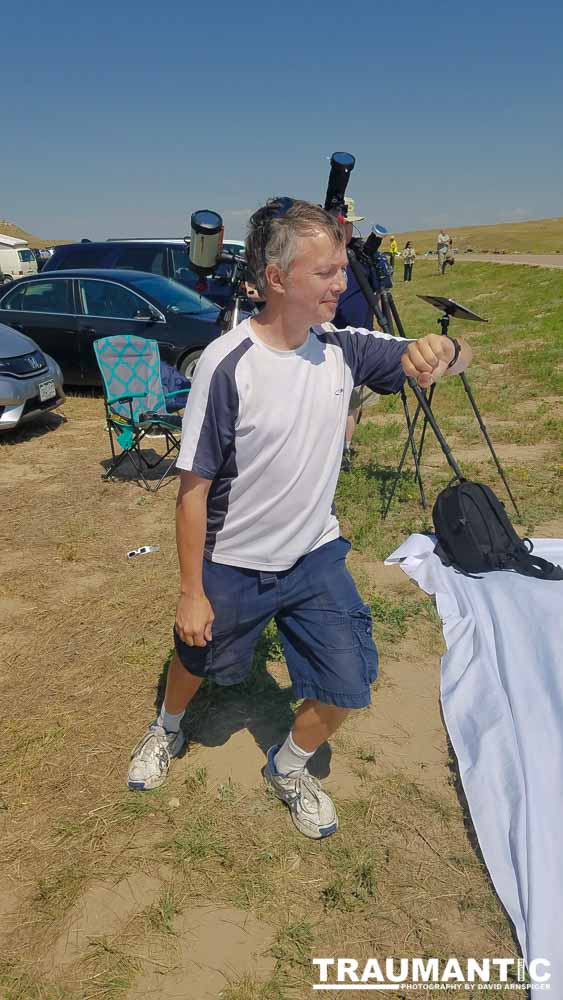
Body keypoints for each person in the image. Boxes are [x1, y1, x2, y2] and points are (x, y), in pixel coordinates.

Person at [127, 198, 472, 840]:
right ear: (279, 279)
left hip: (315, 557)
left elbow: (451, 356)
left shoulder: (344, 348)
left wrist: (444, 348)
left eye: (344, 267)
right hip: (233, 560)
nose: (344, 284)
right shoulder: (227, 367)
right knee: (196, 657)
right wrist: (191, 592)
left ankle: (289, 768)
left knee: (347, 685)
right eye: (327, 272)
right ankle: (166, 728)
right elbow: (193, 490)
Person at [332, 197, 372, 472]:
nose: (345, 231)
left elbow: (375, 296)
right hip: (330, 340)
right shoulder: (324, 260)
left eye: (347, 226)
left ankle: (344, 449)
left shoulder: (361, 258)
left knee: (354, 402)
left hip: (361, 340)